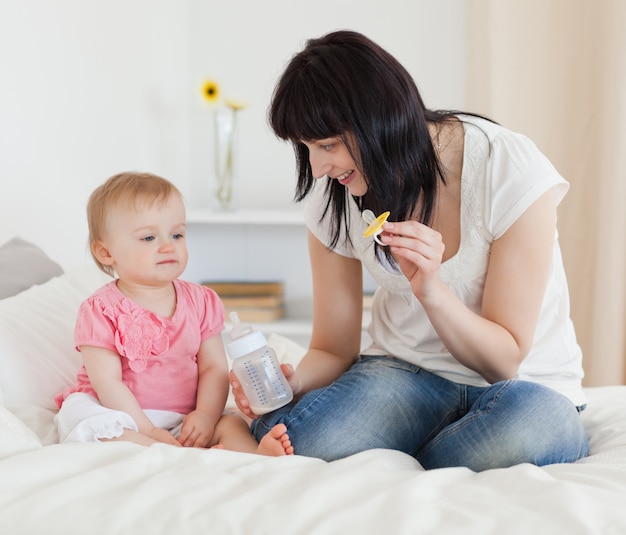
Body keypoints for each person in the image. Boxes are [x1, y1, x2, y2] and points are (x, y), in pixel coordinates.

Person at [230, 30, 589, 471]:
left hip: (524, 385)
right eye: (307, 149)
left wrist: (432, 291)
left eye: (327, 145)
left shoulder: (507, 166)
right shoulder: (335, 194)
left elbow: (505, 360)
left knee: (539, 428)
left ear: (378, 120)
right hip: (403, 375)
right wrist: (295, 381)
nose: (319, 168)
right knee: (296, 441)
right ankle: (434, 459)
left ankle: (411, 460)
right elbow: (333, 347)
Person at [55, 172, 293, 456]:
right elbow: (107, 382)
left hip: (185, 417)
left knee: (229, 424)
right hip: (123, 414)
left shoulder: (200, 300)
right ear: (106, 252)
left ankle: (255, 456)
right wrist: (149, 431)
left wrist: (205, 415)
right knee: (87, 423)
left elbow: (213, 368)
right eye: (149, 237)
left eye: (177, 234)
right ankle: (161, 450)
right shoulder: (100, 309)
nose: (168, 245)